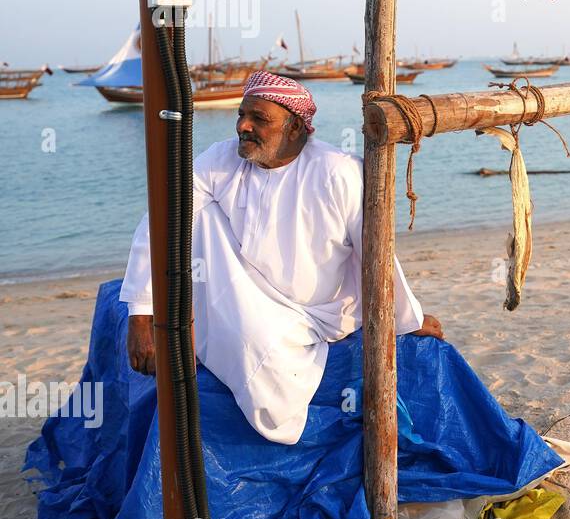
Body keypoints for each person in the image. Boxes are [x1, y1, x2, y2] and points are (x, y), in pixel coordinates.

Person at [120, 70, 442, 444]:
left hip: (316, 312)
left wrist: (405, 319)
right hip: (244, 289)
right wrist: (141, 312)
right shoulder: (221, 159)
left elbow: (377, 255)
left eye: (259, 119)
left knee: (271, 388)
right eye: (241, 114)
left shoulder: (338, 172)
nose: (242, 125)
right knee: (187, 209)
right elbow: (162, 218)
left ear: (295, 129)